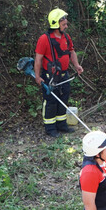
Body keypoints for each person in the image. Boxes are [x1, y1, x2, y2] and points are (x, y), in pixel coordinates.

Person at [34, 8, 84, 137]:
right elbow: (38, 59)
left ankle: (61, 125)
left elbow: (71, 52)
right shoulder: (44, 39)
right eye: (64, 24)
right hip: (49, 77)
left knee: (63, 99)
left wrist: (77, 65)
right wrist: (38, 76)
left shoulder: (66, 37)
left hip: (64, 75)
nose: (66, 26)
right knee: (51, 101)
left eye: (66, 24)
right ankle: (50, 128)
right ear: (55, 24)